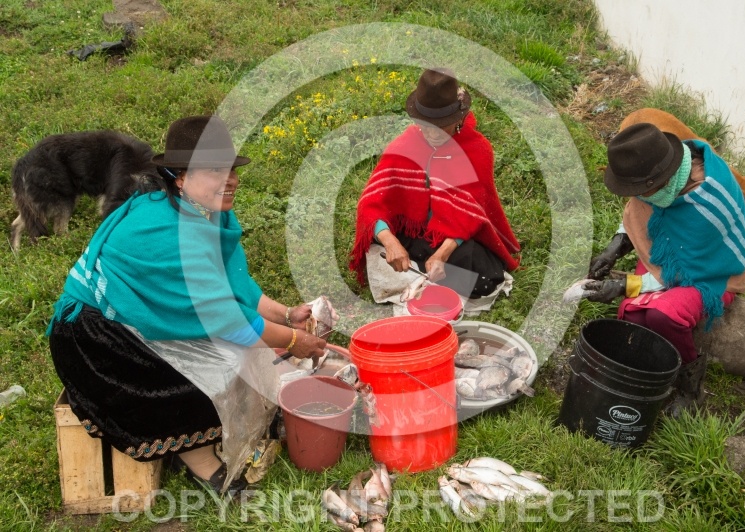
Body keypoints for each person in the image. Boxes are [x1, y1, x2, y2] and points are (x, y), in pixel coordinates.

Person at [47, 115, 327, 495]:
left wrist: (286, 316)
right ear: (179, 176)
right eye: (214, 171)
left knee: (239, 354)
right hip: (95, 338)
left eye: (231, 170)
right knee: (208, 372)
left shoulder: (207, 210)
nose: (230, 180)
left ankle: (209, 437)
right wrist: (294, 341)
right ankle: (201, 461)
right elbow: (229, 321)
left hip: (134, 317)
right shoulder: (170, 232)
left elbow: (234, 284)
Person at [584, 122, 745, 416]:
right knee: (633, 315)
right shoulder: (661, 169)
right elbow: (640, 209)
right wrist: (614, 248)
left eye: (641, 190)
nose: (636, 195)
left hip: (711, 273)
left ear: (658, 182)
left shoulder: (706, 202)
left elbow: (687, 273)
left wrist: (625, 285)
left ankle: (691, 387)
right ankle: (652, 368)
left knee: (663, 314)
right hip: (673, 255)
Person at [350, 68, 520, 300]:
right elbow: (372, 204)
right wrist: (390, 242)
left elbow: (471, 215)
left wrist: (442, 254)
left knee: (488, 277)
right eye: (425, 125)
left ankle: (418, 272)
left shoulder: (478, 150)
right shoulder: (404, 146)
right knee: (377, 237)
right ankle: (421, 270)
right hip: (412, 234)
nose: (432, 134)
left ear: (458, 119)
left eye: (441, 126)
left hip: (451, 236)